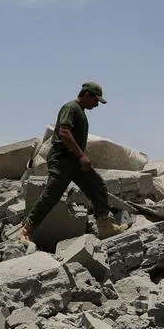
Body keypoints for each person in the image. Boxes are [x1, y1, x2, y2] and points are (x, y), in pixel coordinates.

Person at [20, 81, 129, 244]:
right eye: (96, 100)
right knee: (52, 195)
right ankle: (26, 231)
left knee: (97, 185)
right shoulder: (71, 107)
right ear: (86, 94)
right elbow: (64, 132)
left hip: (74, 162)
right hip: (62, 159)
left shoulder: (81, 111)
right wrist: (82, 155)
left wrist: (79, 158)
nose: (97, 105)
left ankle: (105, 226)